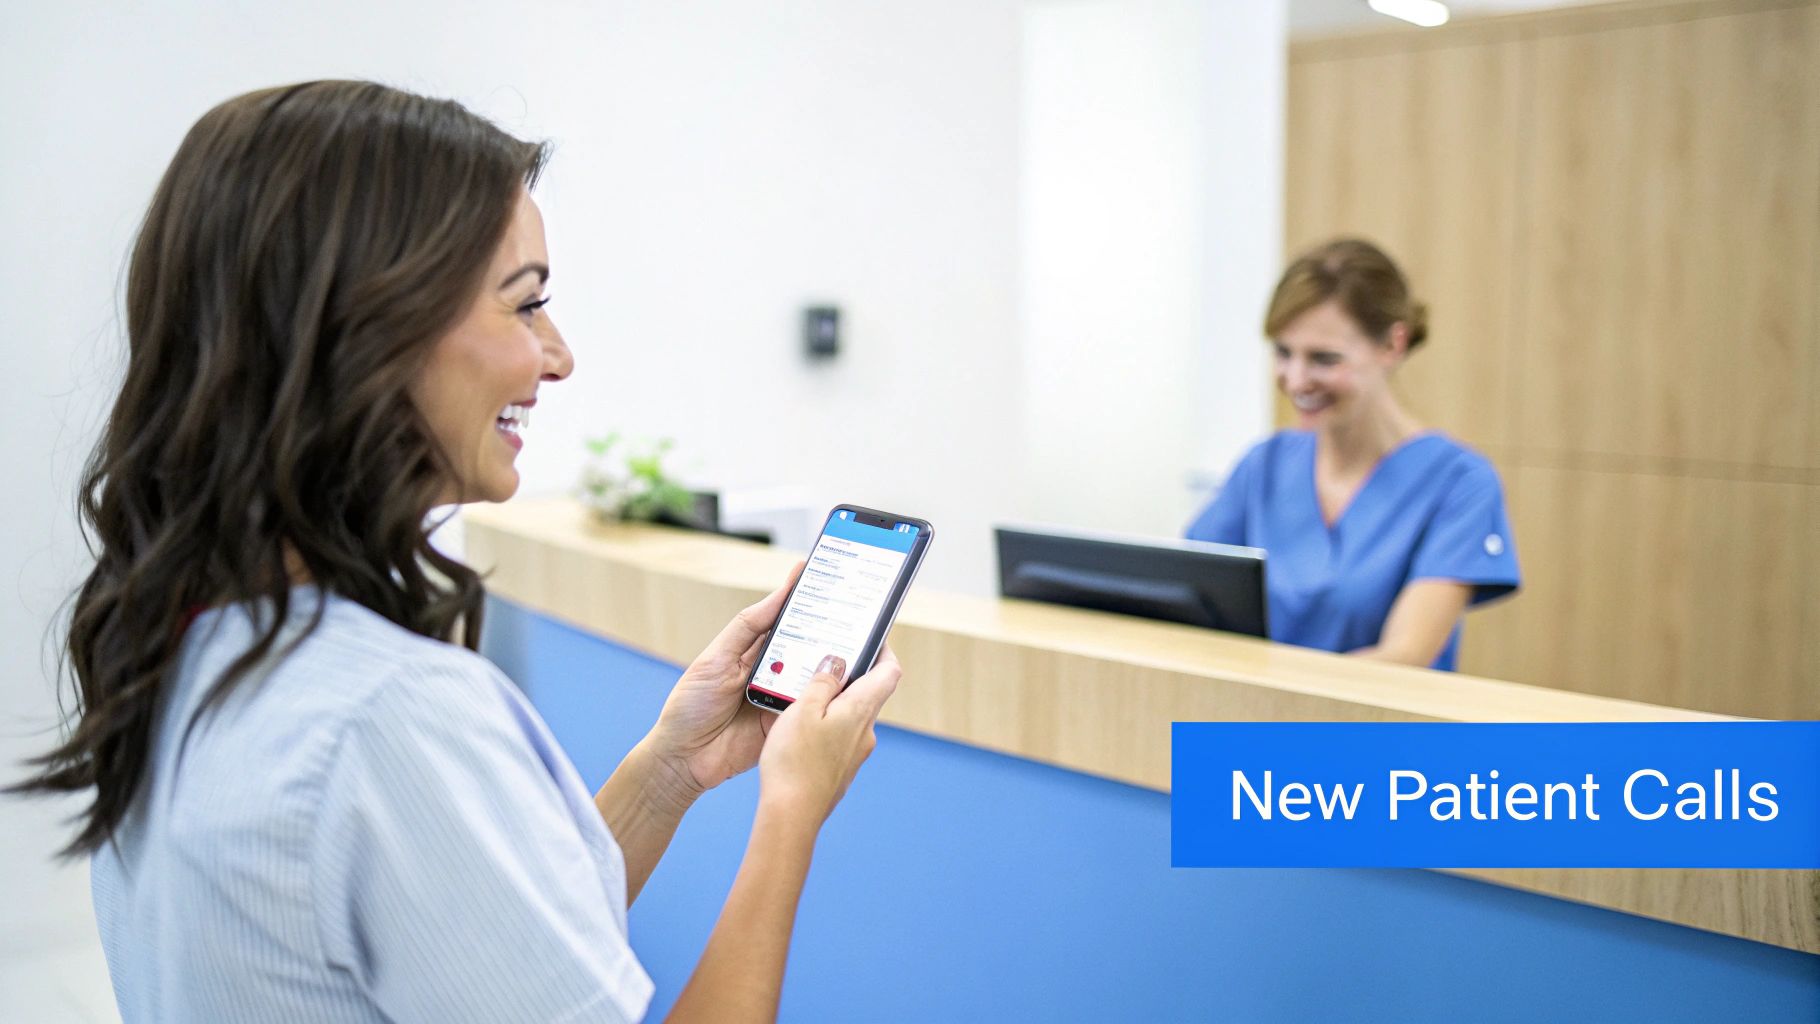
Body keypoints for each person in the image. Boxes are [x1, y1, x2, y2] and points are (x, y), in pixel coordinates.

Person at [8, 81, 897, 1022]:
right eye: (525, 305)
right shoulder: (390, 716)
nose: (557, 356)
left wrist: (670, 770)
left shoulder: (187, 642)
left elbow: (494, 947)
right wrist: (791, 813)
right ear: (371, 329)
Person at [1186, 238, 1519, 671]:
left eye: (1323, 359)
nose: (1296, 380)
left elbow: (1403, 657)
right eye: (1283, 353)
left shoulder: (1459, 484)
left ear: (1393, 345)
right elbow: (1186, 598)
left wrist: (1276, 692)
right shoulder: (1264, 466)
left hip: (1369, 715)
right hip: (1259, 709)